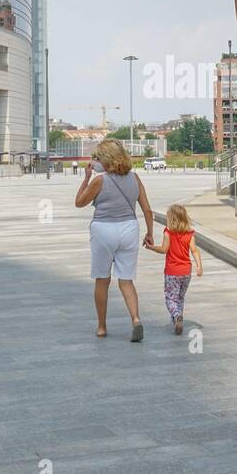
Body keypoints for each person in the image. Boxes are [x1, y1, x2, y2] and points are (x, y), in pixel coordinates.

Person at [74, 139, 154, 341]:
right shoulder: (135, 178)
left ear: (106, 159)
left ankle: (101, 326)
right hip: (129, 229)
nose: (96, 161)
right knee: (126, 280)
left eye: (98, 157)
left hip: (103, 230)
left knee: (102, 280)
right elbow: (147, 209)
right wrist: (150, 233)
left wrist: (86, 178)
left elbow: (79, 203)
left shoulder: (100, 180)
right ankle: (135, 319)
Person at [145, 204, 202, 335]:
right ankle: (178, 320)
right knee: (180, 297)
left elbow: (164, 249)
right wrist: (199, 266)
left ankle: (176, 316)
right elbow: (194, 250)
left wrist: (151, 247)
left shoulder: (168, 232)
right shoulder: (190, 233)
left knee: (170, 298)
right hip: (186, 272)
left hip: (172, 272)